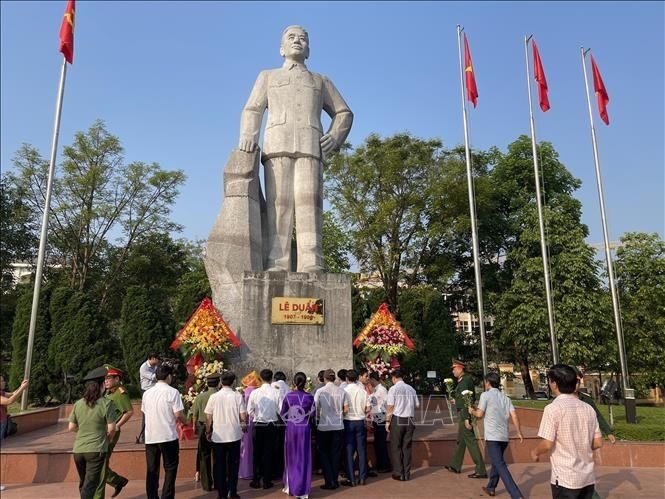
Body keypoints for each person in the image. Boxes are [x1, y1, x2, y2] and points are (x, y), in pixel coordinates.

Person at [239, 25, 353, 272]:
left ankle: (312, 261)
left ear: (309, 49)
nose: (297, 41)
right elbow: (252, 109)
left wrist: (335, 136)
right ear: (281, 48)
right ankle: (277, 262)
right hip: (277, 145)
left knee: (308, 204)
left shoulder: (320, 81)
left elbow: (344, 112)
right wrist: (249, 136)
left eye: (303, 38)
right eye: (291, 37)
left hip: (311, 147)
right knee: (279, 205)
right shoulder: (268, 76)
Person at [531, 364, 603, 499]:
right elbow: (598, 442)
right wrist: (580, 444)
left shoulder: (553, 409)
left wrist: (535, 452)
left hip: (565, 478)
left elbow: (547, 443)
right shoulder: (588, 409)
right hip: (587, 478)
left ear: (554, 384)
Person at [470, 372, 524, 499]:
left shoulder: (485, 395)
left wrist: (471, 410)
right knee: (497, 462)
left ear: (488, 382)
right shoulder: (506, 398)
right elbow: (514, 415)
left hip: (493, 437)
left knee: (499, 464)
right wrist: (518, 431)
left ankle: (516, 495)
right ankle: (491, 488)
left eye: (485, 381)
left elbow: (479, 414)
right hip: (504, 437)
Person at [68, 367, 118, 499]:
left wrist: (84, 431)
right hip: (96, 450)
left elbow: (71, 426)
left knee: (84, 483)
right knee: (91, 485)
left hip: (78, 450)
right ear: (102, 386)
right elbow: (112, 428)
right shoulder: (106, 404)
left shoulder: (78, 404)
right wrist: (107, 438)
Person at [141, 363, 187, 499]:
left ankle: (152, 497)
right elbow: (178, 414)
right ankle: (167, 496)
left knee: (152, 470)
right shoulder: (173, 392)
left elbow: (143, 411)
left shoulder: (147, 393)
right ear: (168, 376)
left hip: (151, 437)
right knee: (170, 468)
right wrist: (187, 422)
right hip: (168, 436)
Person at [205, 370, 247, 499]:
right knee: (233, 464)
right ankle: (232, 492)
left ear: (221, 382)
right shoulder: (237, 396)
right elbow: (243, 416)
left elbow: (208, 417)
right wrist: (244, 425)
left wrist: (208, 431)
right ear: (233, 382)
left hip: (218, 436)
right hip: (234, 435)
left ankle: (221, 494)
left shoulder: (214, 397)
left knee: (220, 465)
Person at [445, 359, 486, 478]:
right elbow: (462, 398)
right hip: (462, 412)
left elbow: (468, 399)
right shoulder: (462, 380)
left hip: (465, 414)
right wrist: (455, 400)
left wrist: (468, 418)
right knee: (461, 441)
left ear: (460, 368)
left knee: (471, 442)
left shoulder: (466, 380)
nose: (453, 371)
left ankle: (481, 470)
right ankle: (455, 465)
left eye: (454, 368)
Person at [281, 372, 315, 499]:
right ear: (305, 382)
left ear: (294, 382)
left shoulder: (288, 396)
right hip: (304, 428)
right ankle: (303, 489)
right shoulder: (310, 397)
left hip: (291, 427)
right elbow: (313, 414)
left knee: (291, 456)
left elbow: (282, 413)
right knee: (304, 457)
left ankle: (290, 486)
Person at [247, 369, 281, 489]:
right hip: (271, 425)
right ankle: (267, 480)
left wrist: (256, 416)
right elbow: (280, 410)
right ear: (271, 378)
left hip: (258, 425)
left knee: (257, 452)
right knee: (269, 452)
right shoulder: (276, 392)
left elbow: (249, 411)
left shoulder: (254, 393)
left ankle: (256, 479)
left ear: (260, 379)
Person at [314, 369, 348, 490]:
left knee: (323, 453)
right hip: (338, 426)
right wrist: (338, 416)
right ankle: (334, 479)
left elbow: (316, 410)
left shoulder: (320, 391)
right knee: (336, 453)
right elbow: (346, 409)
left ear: (324, 378)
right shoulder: (342, 391)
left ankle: (330, 480)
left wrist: (323, 416)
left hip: (324, 426)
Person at [102, 365, 132, 498]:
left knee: (101, 461)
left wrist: (117, 426)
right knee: (101, 461)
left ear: (117, 378)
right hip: (104, 429)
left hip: (111, 431)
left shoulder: (120, 393)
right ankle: (118, 481)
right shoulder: (108, 392)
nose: (106, 381)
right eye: (105, 378)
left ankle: (117, 481)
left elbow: (129, 412)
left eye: (109, 378)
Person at [385, 369, 419, 481]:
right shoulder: (411, 389)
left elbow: (390, 407)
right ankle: (406, 473)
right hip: (409, 420)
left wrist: (387, 421)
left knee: (396, 447)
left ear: (394, 378)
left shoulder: (393, 389)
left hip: (398, 419)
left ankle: (398, 473)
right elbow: (417, 405)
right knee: (407, 447)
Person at [0, 375, 29, 492]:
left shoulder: (1, 392)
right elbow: (9, 401)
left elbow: (12, 394)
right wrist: (22, 389)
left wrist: (22, 386)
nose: (4, 382)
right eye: (1, 380)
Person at [192, 373, 221, 491]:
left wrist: (194, 427)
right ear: (219, 382)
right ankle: (219, 482)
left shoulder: (200, 397)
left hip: (203, 426)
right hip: (219, 427)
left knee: (204, 455)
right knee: (218, 455)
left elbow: (195, 414)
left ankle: (207, 484)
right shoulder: (220, 396)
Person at [342, 369, 370, 486]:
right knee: (361, 450)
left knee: (349, 450)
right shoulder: (363, 391)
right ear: (357, 378)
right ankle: (362, 477)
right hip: (360, 421)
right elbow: (368, 408)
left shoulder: (343, 390)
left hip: (348, 421)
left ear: (347, 379)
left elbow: (344, 408)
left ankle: (351, 478)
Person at [574, 368, 616, 444]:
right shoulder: (558, 402)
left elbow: (597, 415)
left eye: (577, 382)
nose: (575, 385)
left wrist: (608, 432)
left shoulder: (586, 399)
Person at [239, 371, 261, 480]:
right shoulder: (256, 392)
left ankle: (244, 471)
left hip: (245, 420)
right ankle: (253, 470)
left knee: (244, 447)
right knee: (254, 446)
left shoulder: (244, 392)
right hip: (254, 420)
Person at [368, 372, 391, 473]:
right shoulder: (376, 390)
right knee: (378, 442)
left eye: (370, 380)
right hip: (377, 417)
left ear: (373, 379)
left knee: (381, 443)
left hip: (381, 417)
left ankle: (385, 465)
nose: (369, 382)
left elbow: (385, 404)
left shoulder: (382, 390)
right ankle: (381, 464)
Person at [137, 351, 161, 444]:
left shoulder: (155, 366)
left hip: (155, 390)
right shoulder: (144, 367)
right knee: (146, 414)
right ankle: (144, 437)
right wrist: (162, 373)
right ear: (152, 358)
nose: (158, 362)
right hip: (146, 391)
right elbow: (153, 377)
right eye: (157, 359)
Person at [272, 371, 291, 479]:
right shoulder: (288, 388)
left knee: (273, 444)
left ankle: (274, 470)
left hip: (274, 417)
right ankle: (282, 468)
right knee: (281, 443)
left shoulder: (273, 386)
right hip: (284, 418)